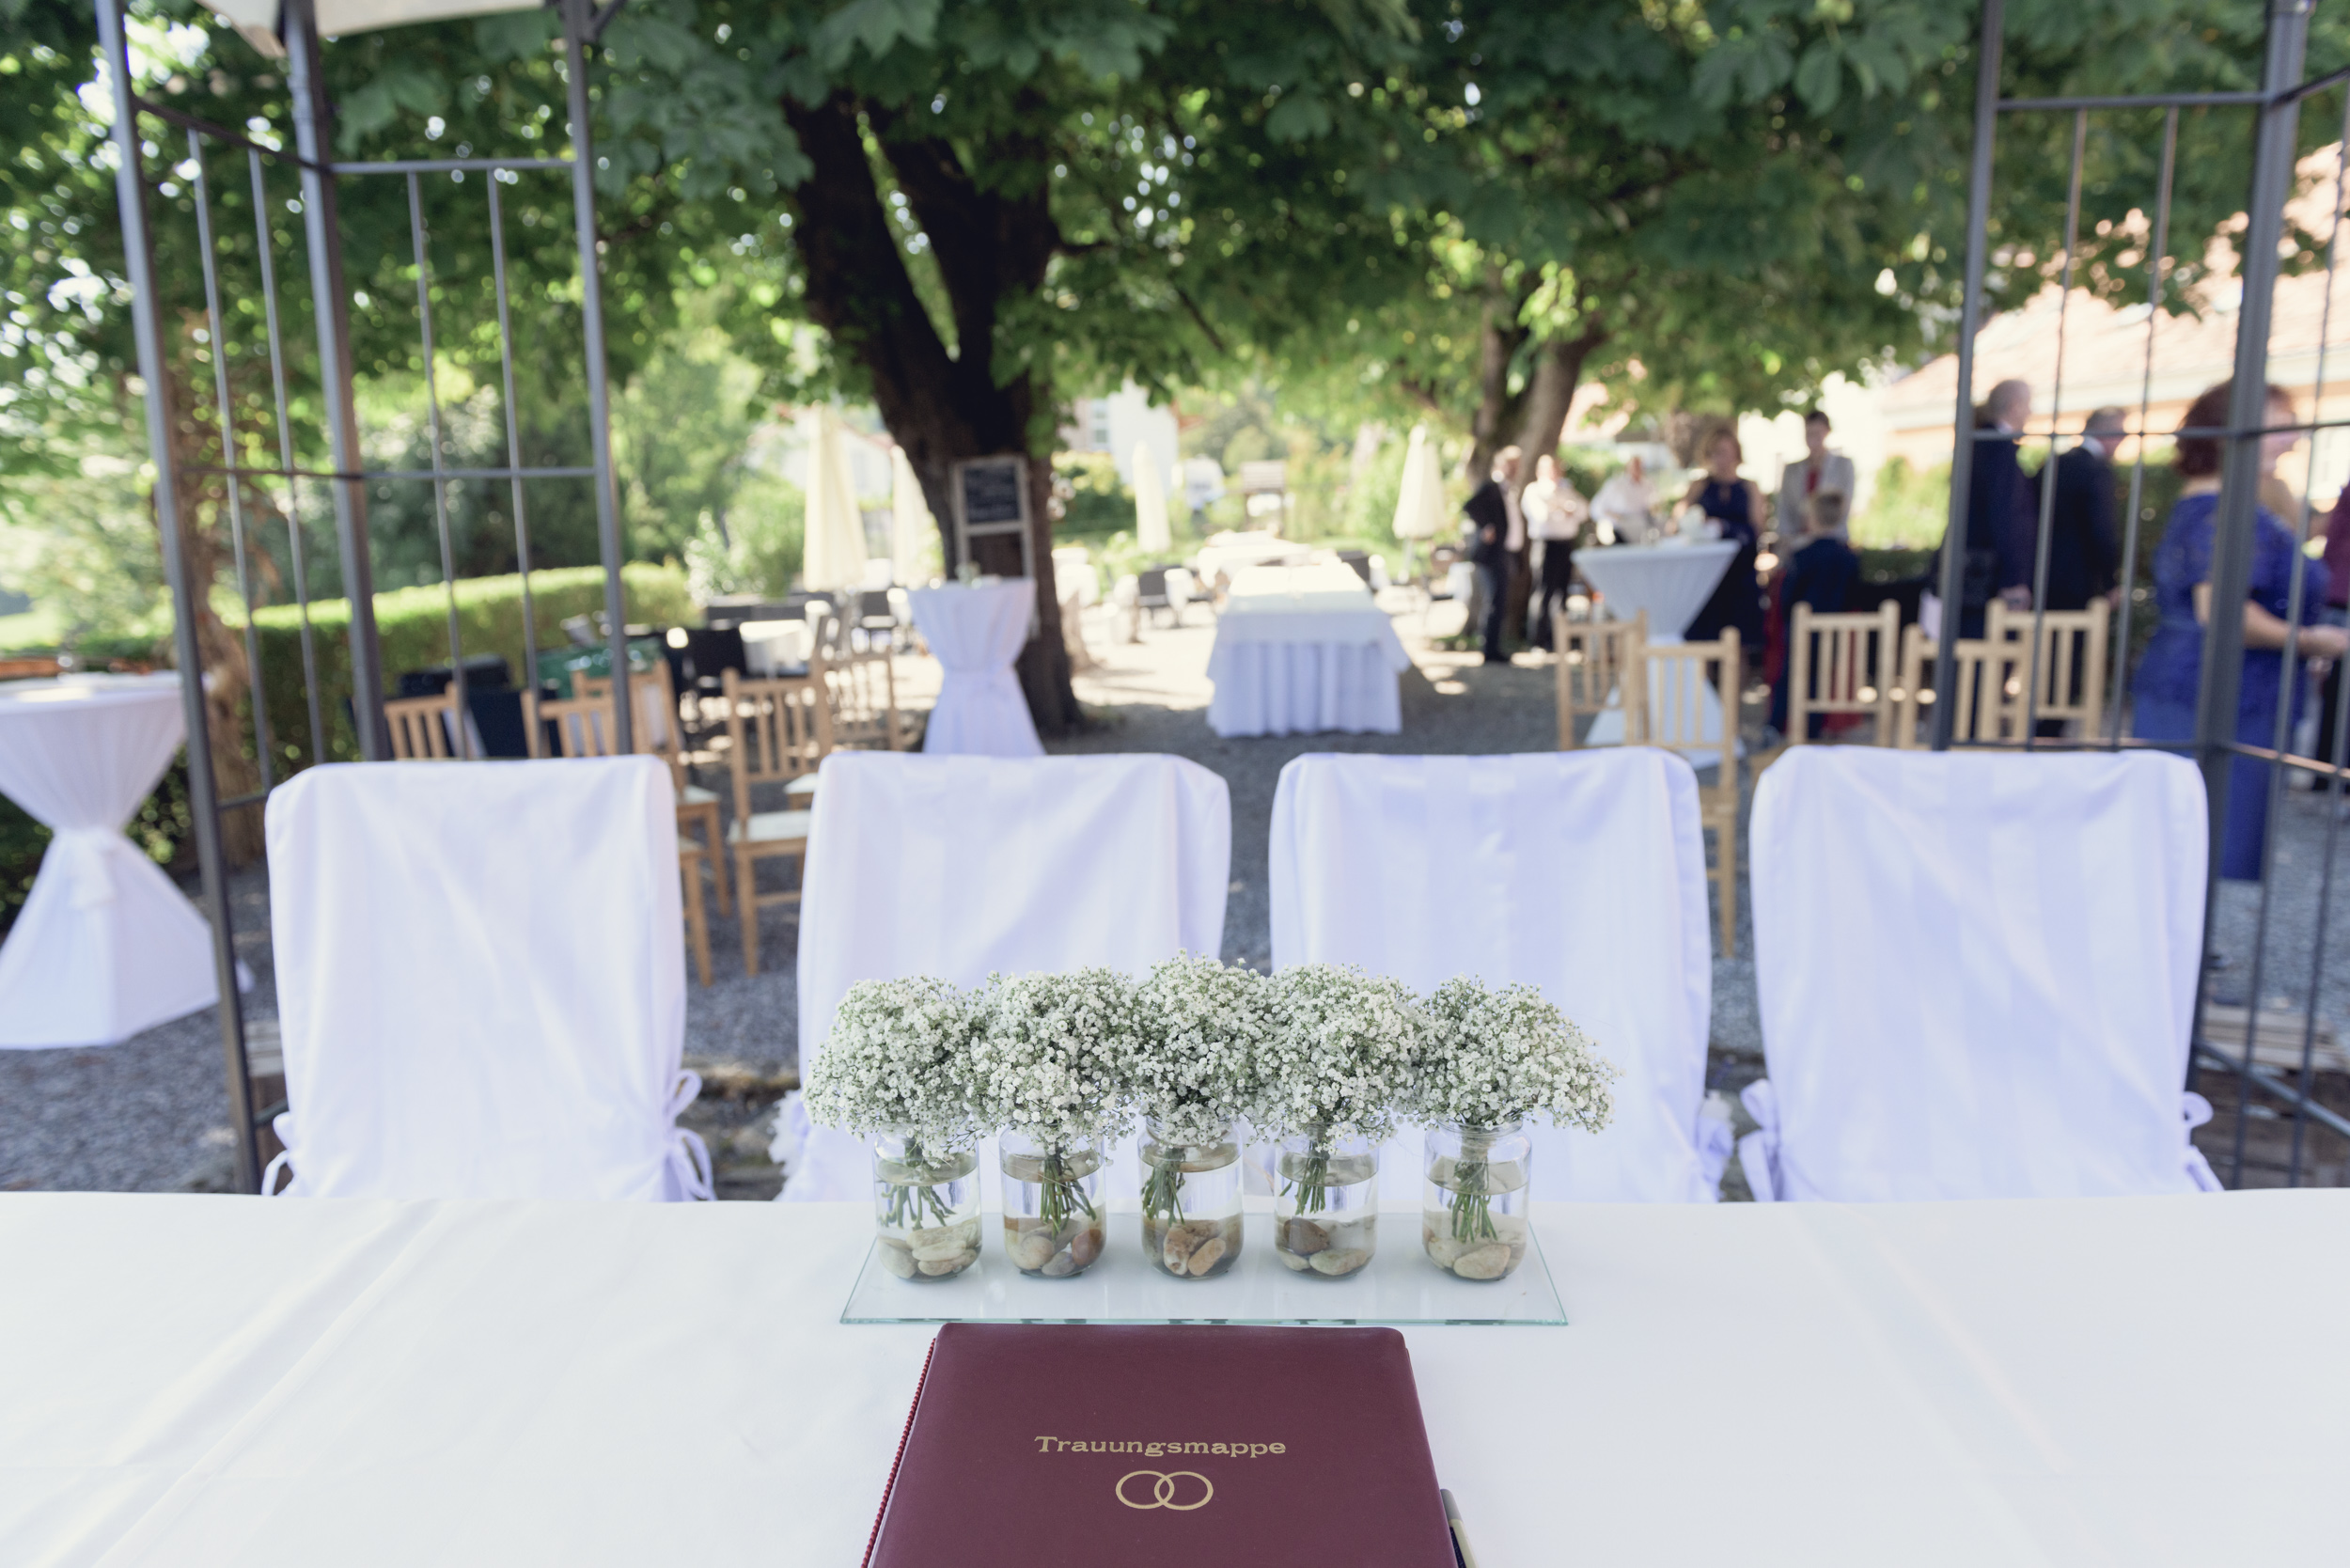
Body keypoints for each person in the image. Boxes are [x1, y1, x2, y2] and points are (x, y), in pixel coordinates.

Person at [2132, 382, 2345, 881]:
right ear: (2234, 433)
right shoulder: (2221, 510)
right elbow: (2224, 613)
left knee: (2187, 839)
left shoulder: (2219, 504)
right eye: (2282, 425)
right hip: (2217, 693)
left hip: (2211, 687)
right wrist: (2315, 640)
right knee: (2198, 837)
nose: (2293, 439)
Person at [1935, 378, 2035, 637]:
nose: (2031, 413)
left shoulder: (1978, 445)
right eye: (2028, 406)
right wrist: (2014, 580)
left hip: (1968, 575)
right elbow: (2006, 516)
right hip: (1984, 580)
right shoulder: (1998, 449)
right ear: (2015, 407)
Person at [1769, 490, 1864, 737]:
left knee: (1790, 676)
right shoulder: (1849, 556)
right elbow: (1853, 594)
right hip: (1833, 629)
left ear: (1812, 518)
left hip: (1801, 628)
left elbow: (1788, 595)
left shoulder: (1803, 556)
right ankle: (1812, 728)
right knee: (1821, 677)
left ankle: (1777, 725)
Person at [1683, 429, 1766, 654]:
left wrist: (1726, 528)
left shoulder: (1749, 488)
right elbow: (1682, 521)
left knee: (1740, 645)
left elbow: (1757, 528)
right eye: (1715, 453)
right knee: (1704, 644)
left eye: (1724, 452)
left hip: (1739, 575)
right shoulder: (1699, 487)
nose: (1720, 458)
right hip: (1706, 577)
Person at [2037, 407, 2125, 612]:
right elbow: (2101, 529)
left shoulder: (2053, 463)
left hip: (2040, 573)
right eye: (2120, 433)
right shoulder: (2096, 470)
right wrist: (2109, 582)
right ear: (2105, 431)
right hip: (2078, 578)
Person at [1463, 446, 1522, 664]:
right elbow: (1470, 506)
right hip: (1491, 556)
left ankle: (1494, 646)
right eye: (1510, 465)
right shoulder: (1491, 487)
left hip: (1505, 553)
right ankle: (1489, 649)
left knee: (1500, 601)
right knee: (1494, 601)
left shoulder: (1509, 490)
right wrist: (1486, 525)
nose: (1514, 469)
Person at [1521, 453, 1587, 650]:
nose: (1557, 474)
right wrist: (1558, 507)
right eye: (1553, 470)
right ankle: (1538, 640)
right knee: (1543, 592)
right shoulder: (1534, 490)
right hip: (1545, 545)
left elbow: (1583, 511)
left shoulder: (1567, 489)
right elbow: (1541, 516)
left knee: (1562, 593)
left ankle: (1559, 638)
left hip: (1565, 544)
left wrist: (1567, 507)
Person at [1774, 411, 1856, 540]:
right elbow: (1784, 508)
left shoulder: (1843, 465)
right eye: (1809, 434)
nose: (1812, 440)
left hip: (1833, 540)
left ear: (1827, 432)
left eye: (1817, 434)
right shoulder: (1792, 470)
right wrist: (1785, 539)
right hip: (1798, 541)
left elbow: (1844, 504)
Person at [1590, 455, 1656, 545]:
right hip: (1622, 532)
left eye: (1640, 466)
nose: (1637, 469)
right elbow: (1596, 508)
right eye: (1635, 466)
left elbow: (1654, 505)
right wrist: (1615, 517)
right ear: (1627, 468)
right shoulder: (1615, 485)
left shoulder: (1649, 485)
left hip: (1643, 531)